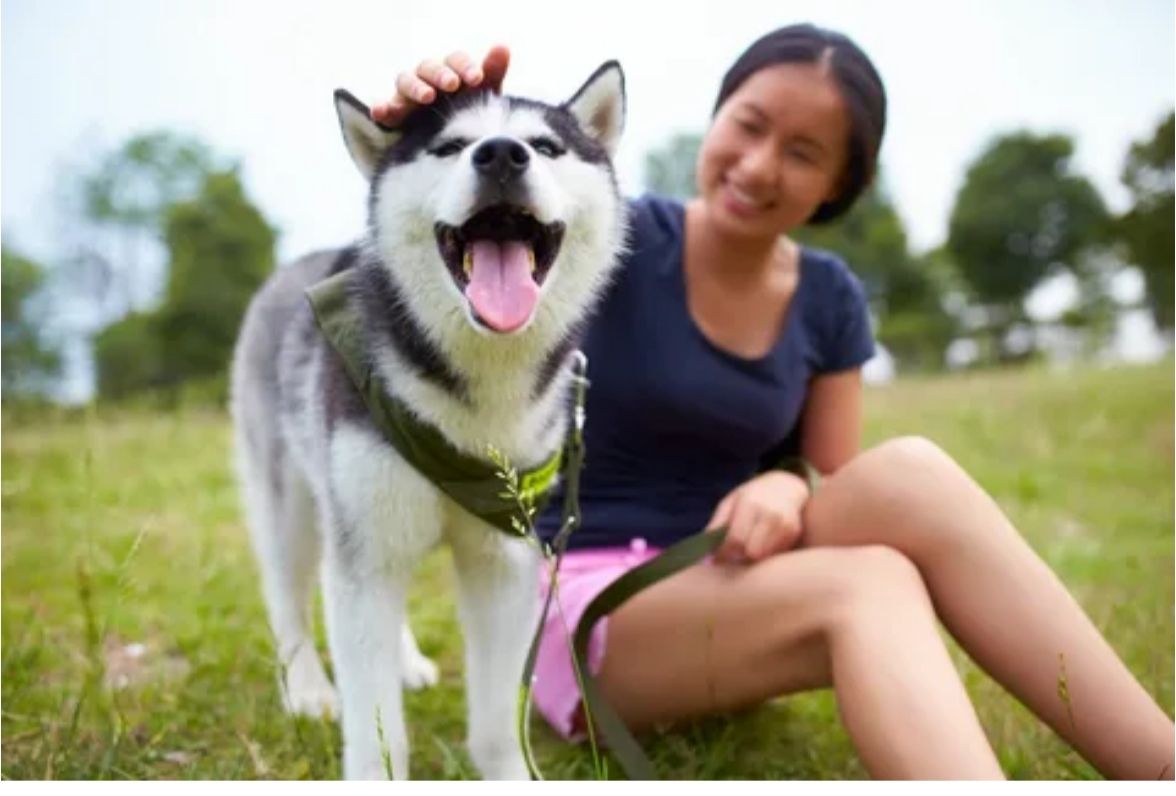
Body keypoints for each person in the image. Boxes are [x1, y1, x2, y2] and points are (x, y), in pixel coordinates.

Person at [374, 25, 1174, 780]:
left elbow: (833, 476)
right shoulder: (597, 234)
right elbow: (457, 277)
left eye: (802, 153)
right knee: (869, 583)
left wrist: (789, 483)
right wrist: (447, 143)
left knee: (911, 475)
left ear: (840, 185)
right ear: (716, 115)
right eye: (748, 126)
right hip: (589, 603)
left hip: (737, 572)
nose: (759, 166)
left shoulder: (830, 297)